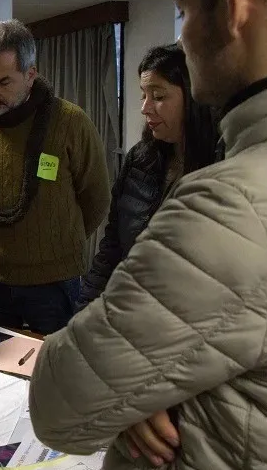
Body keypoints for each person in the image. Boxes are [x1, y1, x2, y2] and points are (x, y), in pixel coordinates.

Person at [30, 0, 267, 470]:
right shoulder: (145, 166)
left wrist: (139, 389)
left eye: (183, 10)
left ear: (232, 6)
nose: (184, 34)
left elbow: (59, 400)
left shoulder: (230, 205)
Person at [0, 19, 110, 334]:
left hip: (54, 283)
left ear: (30, 75)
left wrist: (55, 243)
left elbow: (96, 199)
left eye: (3, 82)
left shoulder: (71, 123)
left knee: (54, 373)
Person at [78, 44, 218, 306]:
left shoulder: (223, 166)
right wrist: (85, 308)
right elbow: (112, 248)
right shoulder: (139, 160)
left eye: (158, 96)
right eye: (143, 94)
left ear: (193, 97)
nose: (145, 108)